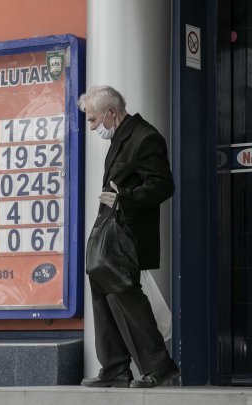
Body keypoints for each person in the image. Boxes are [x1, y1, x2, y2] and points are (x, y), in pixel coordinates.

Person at [78, 85, 179, 389]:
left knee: (127, 296)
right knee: (102, 294)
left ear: (111, 112)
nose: (93, 127)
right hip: (111, 232)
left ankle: (159, 365)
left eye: (94, 120)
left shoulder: (145, 137)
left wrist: (125, 198)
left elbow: (162, 186)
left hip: (128, 235)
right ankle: (115, 368)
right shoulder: (124, 137)